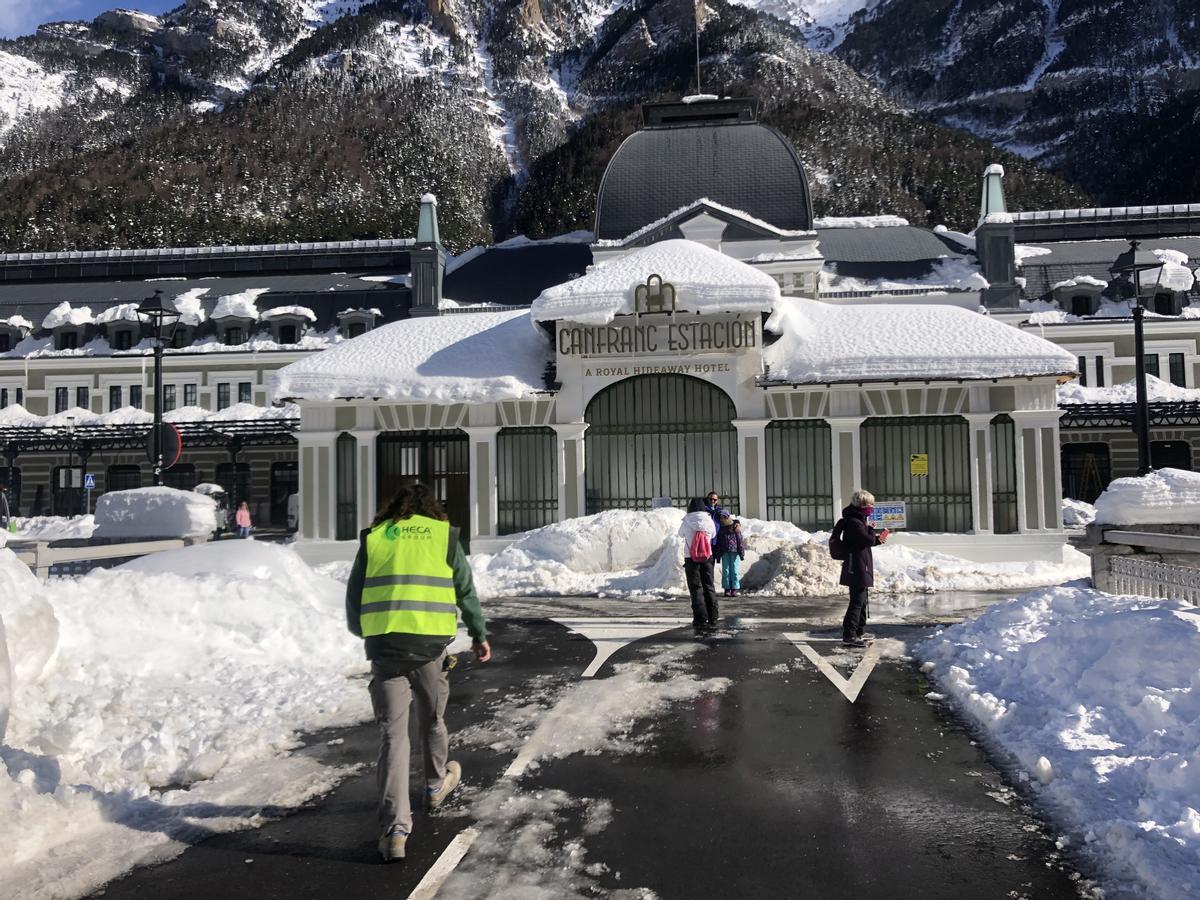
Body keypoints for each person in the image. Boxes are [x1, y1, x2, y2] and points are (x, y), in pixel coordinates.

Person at [345, 480, 490, 863]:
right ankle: (435, 783)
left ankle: (395, 829)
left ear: (394, 508)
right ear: (432, 510)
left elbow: (354, 595)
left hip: (385, 648)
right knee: (433, 718)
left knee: (393, 738)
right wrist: (478, 634)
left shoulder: (375, 536)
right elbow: (465, 589)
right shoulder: (443, 536)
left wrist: (368, 633)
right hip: (429, 648)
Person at [832, 489, 889, 648]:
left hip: (860, 564)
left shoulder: (858, 520)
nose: (872, 507)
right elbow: (867, 539)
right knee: (857, 602)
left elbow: (865, 542)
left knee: (862, 601)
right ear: (862, 505)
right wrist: (871, 529)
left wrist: (879, 539)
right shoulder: (854, 522)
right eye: (870, 504)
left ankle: (859, 631)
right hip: (856, 566)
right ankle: (849, 635)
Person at [679, 497, 718, 630]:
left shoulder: (686, 521)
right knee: (709, 585)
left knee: (696, 589)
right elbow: (713, 535)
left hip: (691, 558)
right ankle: (713, 617)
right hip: (707, 557)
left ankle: (700, 619)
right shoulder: (709, 520)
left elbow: (680, 534)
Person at [716, 516, 746, 598]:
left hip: (734, 552)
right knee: (726, 571)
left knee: (734, 570)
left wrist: (741, 553)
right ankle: (727, 588)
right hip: (725, 552)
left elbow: (740, 542)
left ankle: (734, 588)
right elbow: (719, 543)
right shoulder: (721, 529)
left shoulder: (736, 529)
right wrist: (718, 556)